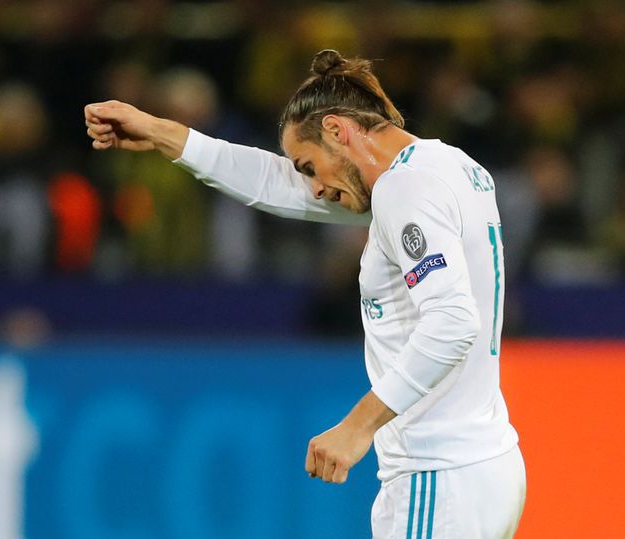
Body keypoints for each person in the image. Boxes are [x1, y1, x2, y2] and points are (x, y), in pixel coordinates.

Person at [85, 49, 526, 538]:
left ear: (337, 130)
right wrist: (164, 133)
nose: (314, 188)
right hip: (484, 465)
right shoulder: (446, 166)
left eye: (310, 166)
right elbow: (274, 183)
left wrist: (357, 427)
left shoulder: (405, 190)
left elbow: (451, 321)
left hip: (439, 474)